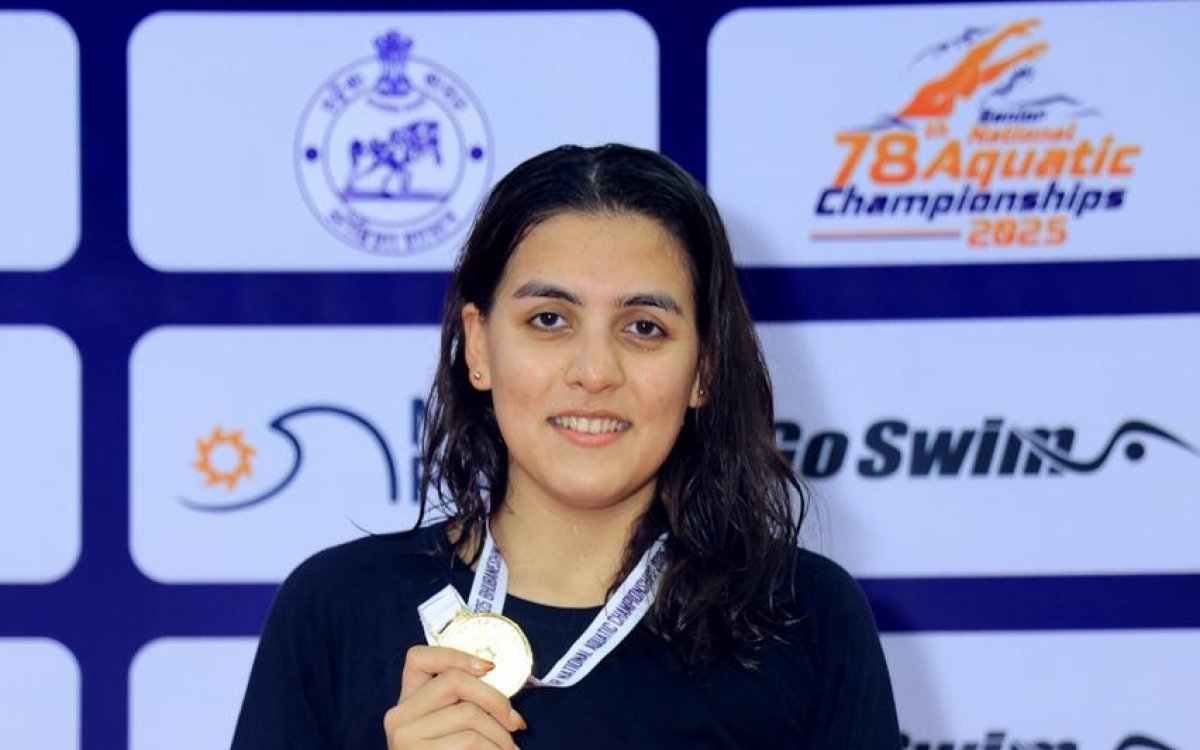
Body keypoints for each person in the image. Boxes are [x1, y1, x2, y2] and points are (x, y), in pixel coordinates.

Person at [232, 144, 900, 748]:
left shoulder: (805, 618)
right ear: (480, 346)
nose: (595, 371)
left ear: (704, 368)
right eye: (549, 319)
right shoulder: (335, 610)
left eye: (644, 327)